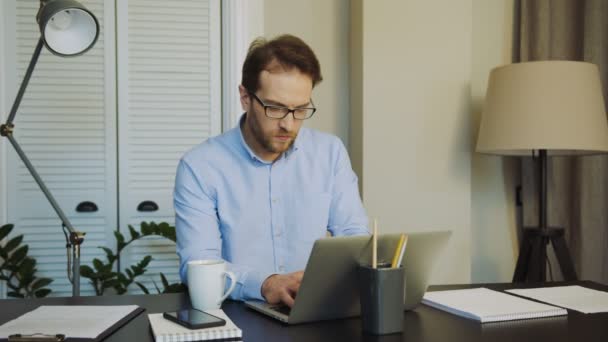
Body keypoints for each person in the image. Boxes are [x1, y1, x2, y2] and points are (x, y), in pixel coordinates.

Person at [174, 34, 369, 308]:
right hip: (238, 315)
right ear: (245, 97)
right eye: (275, 108)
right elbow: (198, 265)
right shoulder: (200, 166)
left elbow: (354, 234)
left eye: (300, 109)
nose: (289, 125)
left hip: (315, 311)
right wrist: (265, 284)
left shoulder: (330, 152)